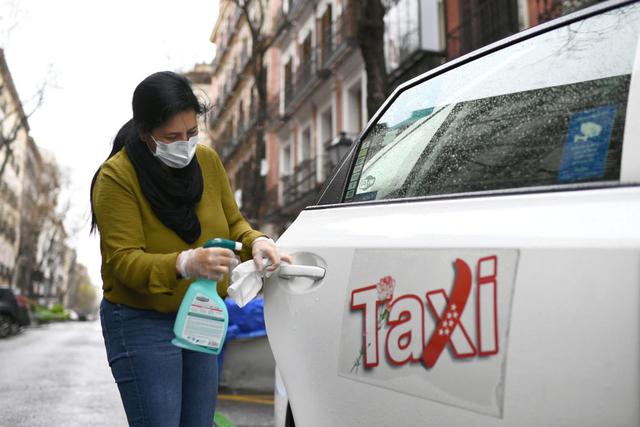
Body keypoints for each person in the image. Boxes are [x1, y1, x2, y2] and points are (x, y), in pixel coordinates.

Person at [90, 71, 290, 426]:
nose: (184, 144)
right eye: (171, 137)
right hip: (141, 318)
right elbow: (123, 262)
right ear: (145, 133)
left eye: (191, 133)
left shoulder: (208, 162)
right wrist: (186, 262)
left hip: (200, 311)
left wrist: (257, 241)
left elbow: (234, 224)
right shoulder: (116, 178)